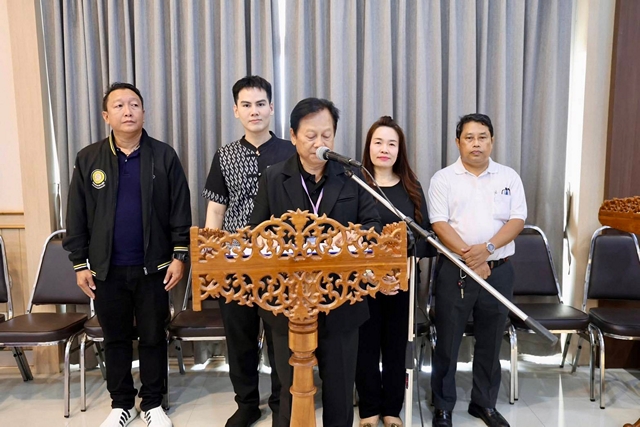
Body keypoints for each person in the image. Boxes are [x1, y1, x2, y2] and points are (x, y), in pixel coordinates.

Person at [63, 82, 191, 427]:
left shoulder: (164, 156)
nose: (127, 111)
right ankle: (121, 404)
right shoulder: (89, 158)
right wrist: (79, 263)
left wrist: (179, 255)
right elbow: (76, 215)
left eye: (134, 104)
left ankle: (152, 403)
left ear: (144, 112)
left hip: (155, 267)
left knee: (153, 336)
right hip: (106, 269)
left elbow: (180, 209)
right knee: (115, 338)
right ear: (106, 116)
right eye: (118, 105)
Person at [249, 98, 382, 427]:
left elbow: (374, 226)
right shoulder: (273, 176)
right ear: (293, 136)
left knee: (339, 390)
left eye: (326, 135)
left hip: (342, 300)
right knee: (289, 389)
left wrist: (345, 241)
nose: (319, 143)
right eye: (310, 136)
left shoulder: (351, 175)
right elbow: (255, 232)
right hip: (286, 303)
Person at [202, 75, 294, 427]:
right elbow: (216, 211)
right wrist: (212, 259)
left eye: (260, 104)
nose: (254, 111)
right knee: (239, 337)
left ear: (271, 108)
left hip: (280, 263)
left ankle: (281, 402)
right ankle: (247, 403)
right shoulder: (225, 155)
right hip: (234, 262)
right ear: (235, 110)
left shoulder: (290, 152)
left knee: (280, 339)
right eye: (246, 105)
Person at [427, 113, 527, 427]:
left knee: (491, 339)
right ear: (458, 142)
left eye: (482, 137)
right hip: (455, 270)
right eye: (469, 137)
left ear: (492, 141)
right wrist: (473, 258)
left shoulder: (508, 177)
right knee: (448, 340)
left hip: (499, 270)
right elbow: (439, 224)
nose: (476, 144)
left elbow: (517, 220)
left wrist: (488, 250)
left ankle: (484, 403)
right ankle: (443, 406)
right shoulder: (443, 179)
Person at [355, 116, 436, 427]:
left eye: (391, 143)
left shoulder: (411, 187)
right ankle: (368, 409)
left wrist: (407, 259)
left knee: (395, 346)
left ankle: (392, 409)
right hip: (363, 282)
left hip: (402, 281)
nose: (384, 149)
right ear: (368, 147)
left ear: (399, 150)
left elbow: (426, 236)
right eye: (378, 142)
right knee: (365, 345)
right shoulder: (355, 183)